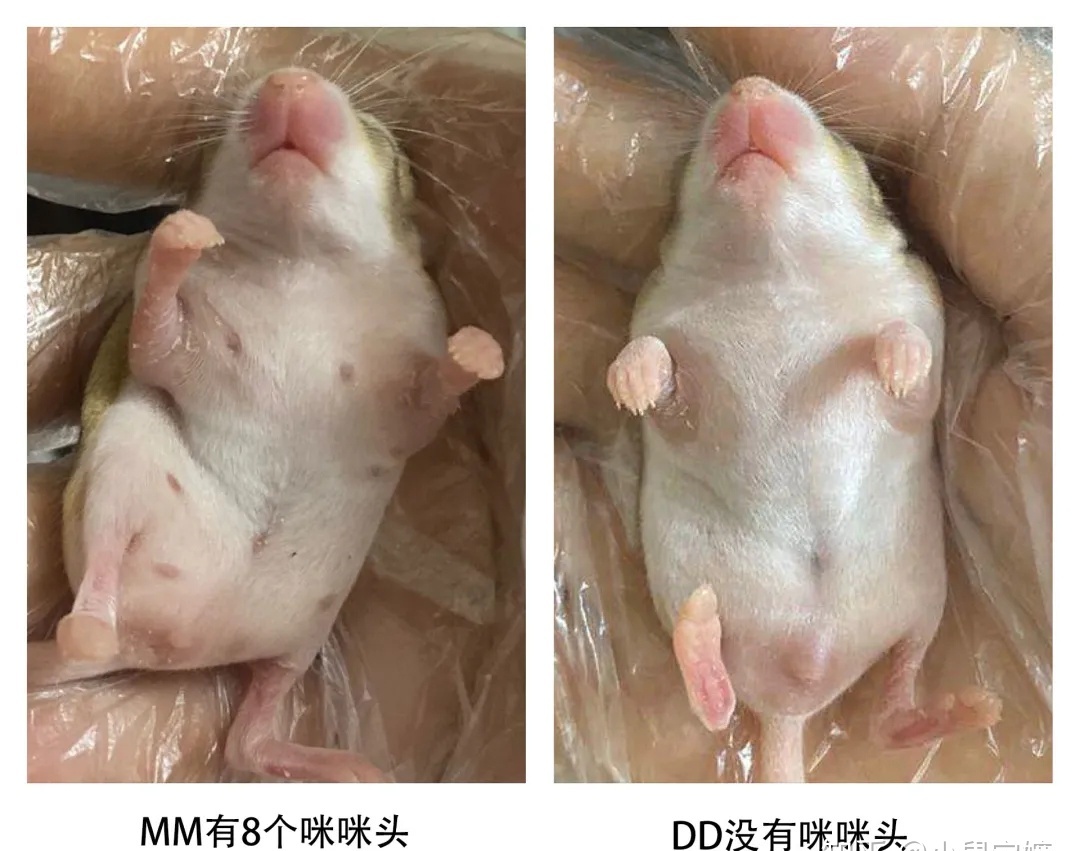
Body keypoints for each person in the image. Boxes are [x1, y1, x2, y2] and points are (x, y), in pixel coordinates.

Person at [27, 27, 525, 782]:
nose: (287, 94)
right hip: (178, 538)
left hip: (281, 591)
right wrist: (165, 276)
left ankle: (255, 732)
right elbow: (161, 361)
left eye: (369, 134)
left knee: (142, 433)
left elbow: (399, 428)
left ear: (406, 217)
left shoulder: (403, 300)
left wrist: (447, 380)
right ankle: (94, 601)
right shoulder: (214, 273)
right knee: (133, 424)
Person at [554, 27, 1051, 782]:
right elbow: (676, 424)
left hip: (858, 581)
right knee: (711, 558)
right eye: (701, 175)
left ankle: (872, 692)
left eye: (836, 151)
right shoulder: (680, 304)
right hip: (769, 575)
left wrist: (903, 351)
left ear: (871, 213)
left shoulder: (891, 291)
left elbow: (911, 404)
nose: (747, 102)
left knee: (832, 593)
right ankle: (846, 688)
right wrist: (649, 365)